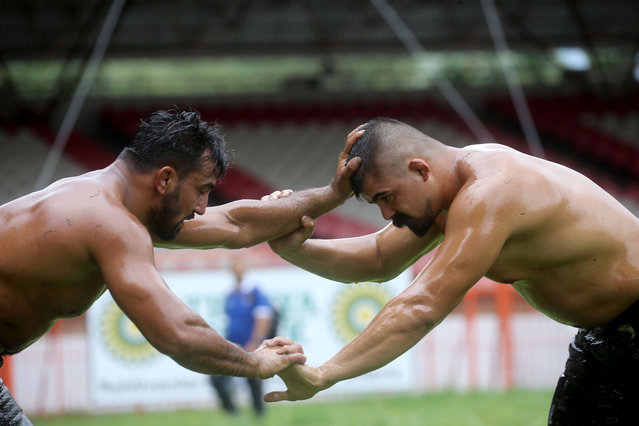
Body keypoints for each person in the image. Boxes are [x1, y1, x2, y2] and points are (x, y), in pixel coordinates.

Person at [264, 117, 639, 425]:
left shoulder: (490, 191)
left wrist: (324, 374)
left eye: (386, 197)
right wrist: (295, 248)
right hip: (608, 338)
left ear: (420, 169)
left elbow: (422, 306)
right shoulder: (448, 192)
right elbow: (378, 258)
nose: (387, 215)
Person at [0, 108, 361, 424]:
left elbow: (238, 223)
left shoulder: (113, 202)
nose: (203, 206)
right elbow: (179, 334)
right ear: (166, 179)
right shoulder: (109, 222)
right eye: (202, 189)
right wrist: (256, 363)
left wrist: (333, 194)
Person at [210, 257, 276, 417]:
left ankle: (259, 415)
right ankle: (232, 412)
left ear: (246, 268)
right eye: (234, 265)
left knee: (253, 381)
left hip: (250, 345)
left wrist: (255, 342)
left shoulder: (254, 292)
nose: (237, 268)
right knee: (217, 378)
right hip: (233, 345)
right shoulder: (231, 294)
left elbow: (264, 317)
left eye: (240, 264)